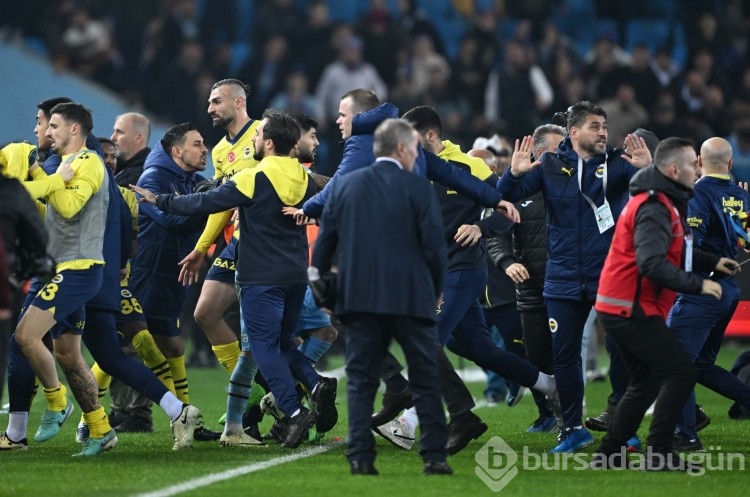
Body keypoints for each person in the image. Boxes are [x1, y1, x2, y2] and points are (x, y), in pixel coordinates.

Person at [131, 112, 337, 450]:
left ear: (268, 143)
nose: (253, 141)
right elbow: (330, 196)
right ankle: (314, 384)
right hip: (296, 276)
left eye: (258, 137)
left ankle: (294, 410)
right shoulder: (303, 176)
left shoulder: (252, 177)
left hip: (261, 277)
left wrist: (160, 199)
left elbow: (202, 203)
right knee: (284, 344)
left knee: (262, 346)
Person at [373, 107, 559, 455]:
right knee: (479, 348)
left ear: (430, 136)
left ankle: (411, 420)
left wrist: (481, 227)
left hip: (464, 270)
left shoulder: (469, 166)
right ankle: (550, 386)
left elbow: (508, 209)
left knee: (426, 342)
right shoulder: (412, 170)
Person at [498, 101, 653, 452]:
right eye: (595, 126)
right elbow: (503, 199)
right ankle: (572, 429)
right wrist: (515, 173)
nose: (603, 132)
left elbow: (660, 199)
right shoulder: (550, 166)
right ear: (574, 132)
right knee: (565, 356)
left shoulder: (619, 163)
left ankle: (624, 426)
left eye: (604, 126)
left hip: (608, 275)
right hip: (563, 277)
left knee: (622, 348)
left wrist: (650, 171)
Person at [310, 117, 451, 475]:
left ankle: (360, 457)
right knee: (425, 377)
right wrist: (434, 290)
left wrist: (324, 288)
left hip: (360, 298)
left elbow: (324, 247)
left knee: (361, 381)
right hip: (411, 296)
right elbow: (435, 248)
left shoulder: (346, 186)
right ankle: (434, 457)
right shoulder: (418, 187)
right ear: (402, 148)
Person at [591, 137, 737, 471]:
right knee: (681, 372)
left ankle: (609, 452)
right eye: (692, 164)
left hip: (622, 305)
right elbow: (652, 263)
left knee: (646, 383)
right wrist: (699, 283)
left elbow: (677, 252)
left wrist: (713, 262)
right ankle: (659, 454)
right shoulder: (656, 205)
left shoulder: (664, 201)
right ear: (674, 170)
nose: (697, 169)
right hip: (630, 307)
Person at [10, 102, 117, 455]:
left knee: (25, 336)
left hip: (78, 269)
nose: (47, 131)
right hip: (59, 268)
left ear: (74, 130)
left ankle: (56, 403)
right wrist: (44, 178)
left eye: (53, 125)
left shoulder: (87, 163)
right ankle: (101, 430)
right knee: (68, 355)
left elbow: (69, 207)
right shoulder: (66, 166)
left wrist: (47, 180)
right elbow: (54, 211)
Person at [129, 122, 218, 440]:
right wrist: (208, 204)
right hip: (153, 274)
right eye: (197, 144)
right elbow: (173, 220)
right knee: (125, 347)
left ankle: (186, 420)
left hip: (176, 274)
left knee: (173, 346)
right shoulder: (153, 178)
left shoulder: (193, 180)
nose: (204, 148)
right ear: (177, 151)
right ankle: (92, 421)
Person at [667, 137, 750, 451]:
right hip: (729, 292)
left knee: (677, 363)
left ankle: (686, 435)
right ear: (730, 164)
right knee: (700, 365)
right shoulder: (741, 195)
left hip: (701, 291)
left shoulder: (696, 194)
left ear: (699, 162)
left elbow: (691, 246)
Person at [486, 123, 567, 433]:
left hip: (567, 287)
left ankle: (570, 423)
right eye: (559, 149)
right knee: (537, 360)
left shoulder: (571, 185)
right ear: (538, 153)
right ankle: (550, 414)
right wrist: (506, 262)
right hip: (530, 289)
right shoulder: (519, 190)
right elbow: (495, 231)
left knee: (568, 356)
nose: (565, 155)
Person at [178, 79, 261, 379]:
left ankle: (299, 395)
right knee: (205, 313)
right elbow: (221, 204)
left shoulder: (264, 134)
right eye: (210, 102)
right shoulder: (220, 151)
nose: (209, 108)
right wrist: (202, 248)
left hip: (266, 242)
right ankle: (250, 389)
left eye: (216, 101)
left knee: (270, 330)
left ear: (238, 102)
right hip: (236, 242)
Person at [110, 112, 151, 187]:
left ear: (138, 139)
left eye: (119, 132)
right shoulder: (114, 165)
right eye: (114, 131)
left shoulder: (142, 177)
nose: (112, 138)